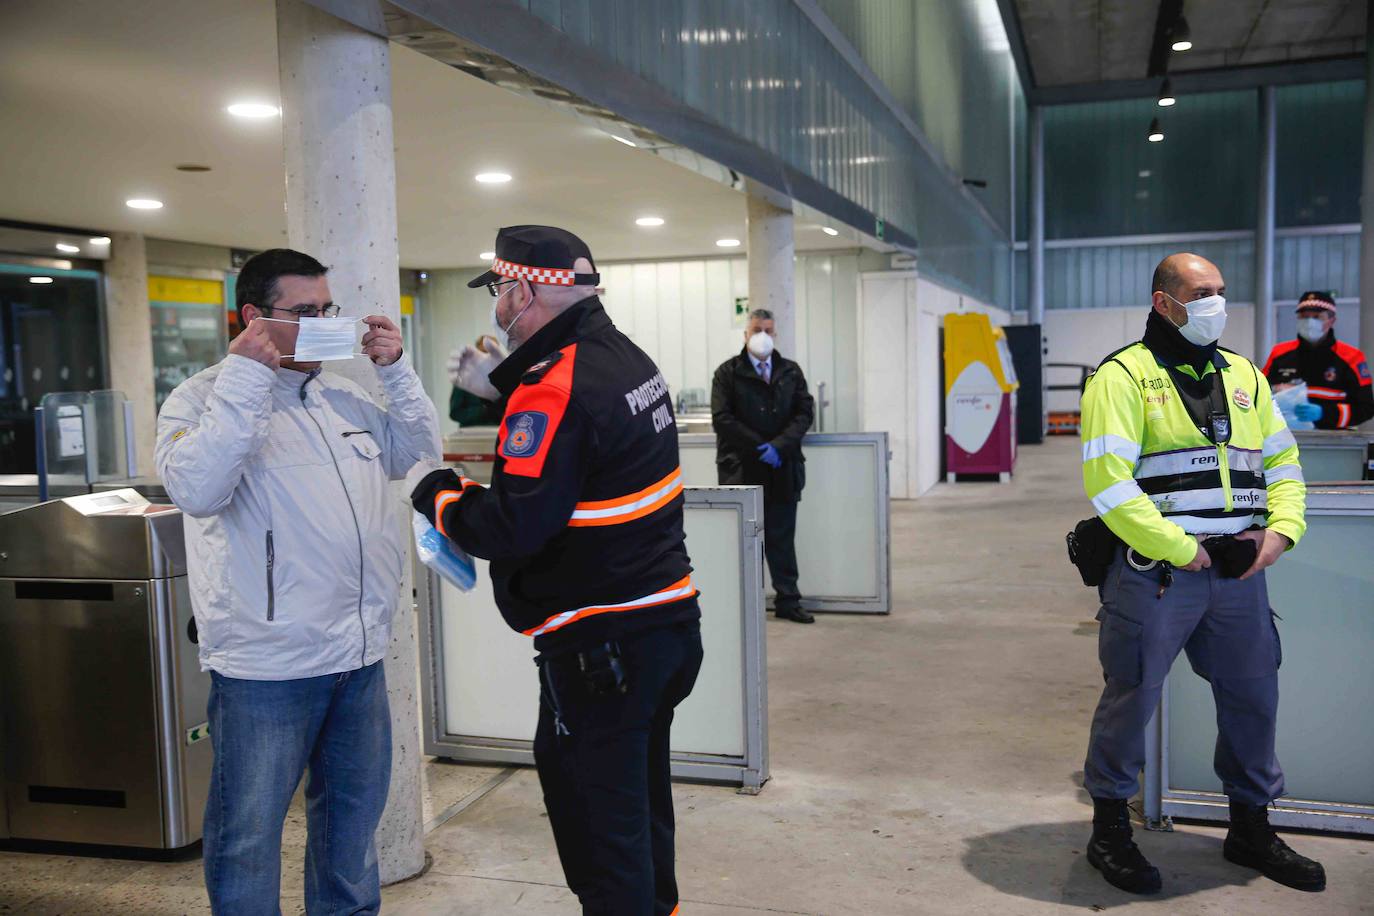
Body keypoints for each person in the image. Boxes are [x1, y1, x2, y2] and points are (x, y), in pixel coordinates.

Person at [408, 226, 702, 915]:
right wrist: (502, 389)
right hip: (664, 628)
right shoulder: (628, 358)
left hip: (602, 650)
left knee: (601, 837)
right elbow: (586, 439)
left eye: (502, 293)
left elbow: (514, 524)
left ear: (526, 291)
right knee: (637, 816)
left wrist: (436, 491)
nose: (499, 309)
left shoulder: (551, 388)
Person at [155, 248, 441, 914]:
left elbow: (415, 449)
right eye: (303, 313)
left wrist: (394, 370)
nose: (320, 324)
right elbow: (197, 487)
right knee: (247, 840)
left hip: (358, 659)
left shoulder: (344, 396)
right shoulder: (199, 400)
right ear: (253, 317)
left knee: (349, 837)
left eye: (327, 310)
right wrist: (249, 377)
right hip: (267, 668)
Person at [1078, 252, 1324, 895]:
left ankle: (1250, 826)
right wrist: (1187, 550)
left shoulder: (1245, 375)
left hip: (1242, 574)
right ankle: (1109, 832)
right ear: (1165, 302)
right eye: (1201, 292)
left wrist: (1281, 533)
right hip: (1158, 574)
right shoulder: (1122, 376)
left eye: (1220, 291)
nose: (1217, 302)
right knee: (1131, 698)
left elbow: (1284, 462)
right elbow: (1109, 484)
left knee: (1253, 697)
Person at [711, 308, 816, 623]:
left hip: (783, 468)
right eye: (757, 329)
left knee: (782, 539)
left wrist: (779, 446)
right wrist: (759, 447)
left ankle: (788, 600)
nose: (763, 336)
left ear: (775, 335)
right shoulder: (727, 373)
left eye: (768, 330)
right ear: (745, 335)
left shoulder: (790, 372)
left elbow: (804, 413)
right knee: (746, 541)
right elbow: (722, 418)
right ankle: (747, 605)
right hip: (742, 469)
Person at [1262, 290, 1373, 429]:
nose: (1309, 322)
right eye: (1304, 316)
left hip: (1334, 441)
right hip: (1286, 439)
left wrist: (1324, 413)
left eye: (1317, 317)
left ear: (1332, 320)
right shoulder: (1280, 353)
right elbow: (1259, 394)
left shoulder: (1351, 357)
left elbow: (1366, 408)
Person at [446, 335, 507, 427]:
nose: (486, 359)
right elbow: (455, 412)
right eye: (482, 353)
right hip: (471, 435)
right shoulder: (464, 380)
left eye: (491, 354)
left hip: (498, 432)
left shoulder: (506, 381)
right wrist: (483, 410)